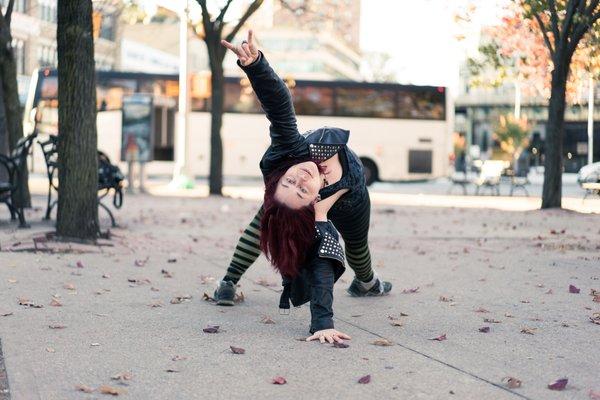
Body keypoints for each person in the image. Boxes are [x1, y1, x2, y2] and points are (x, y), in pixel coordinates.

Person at [216, 30, 391, 342]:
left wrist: (255, 66)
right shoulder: (314, 210)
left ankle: (366, 282)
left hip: (353, 201)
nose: (301, 179)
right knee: (313, 239)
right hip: (331, 202)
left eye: (291, 181)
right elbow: (322, 267)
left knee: (355, 245)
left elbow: (279, 106)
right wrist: (322, 322)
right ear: (311, 204)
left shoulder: (291, 153)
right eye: (301, 190)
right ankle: (229, 280)